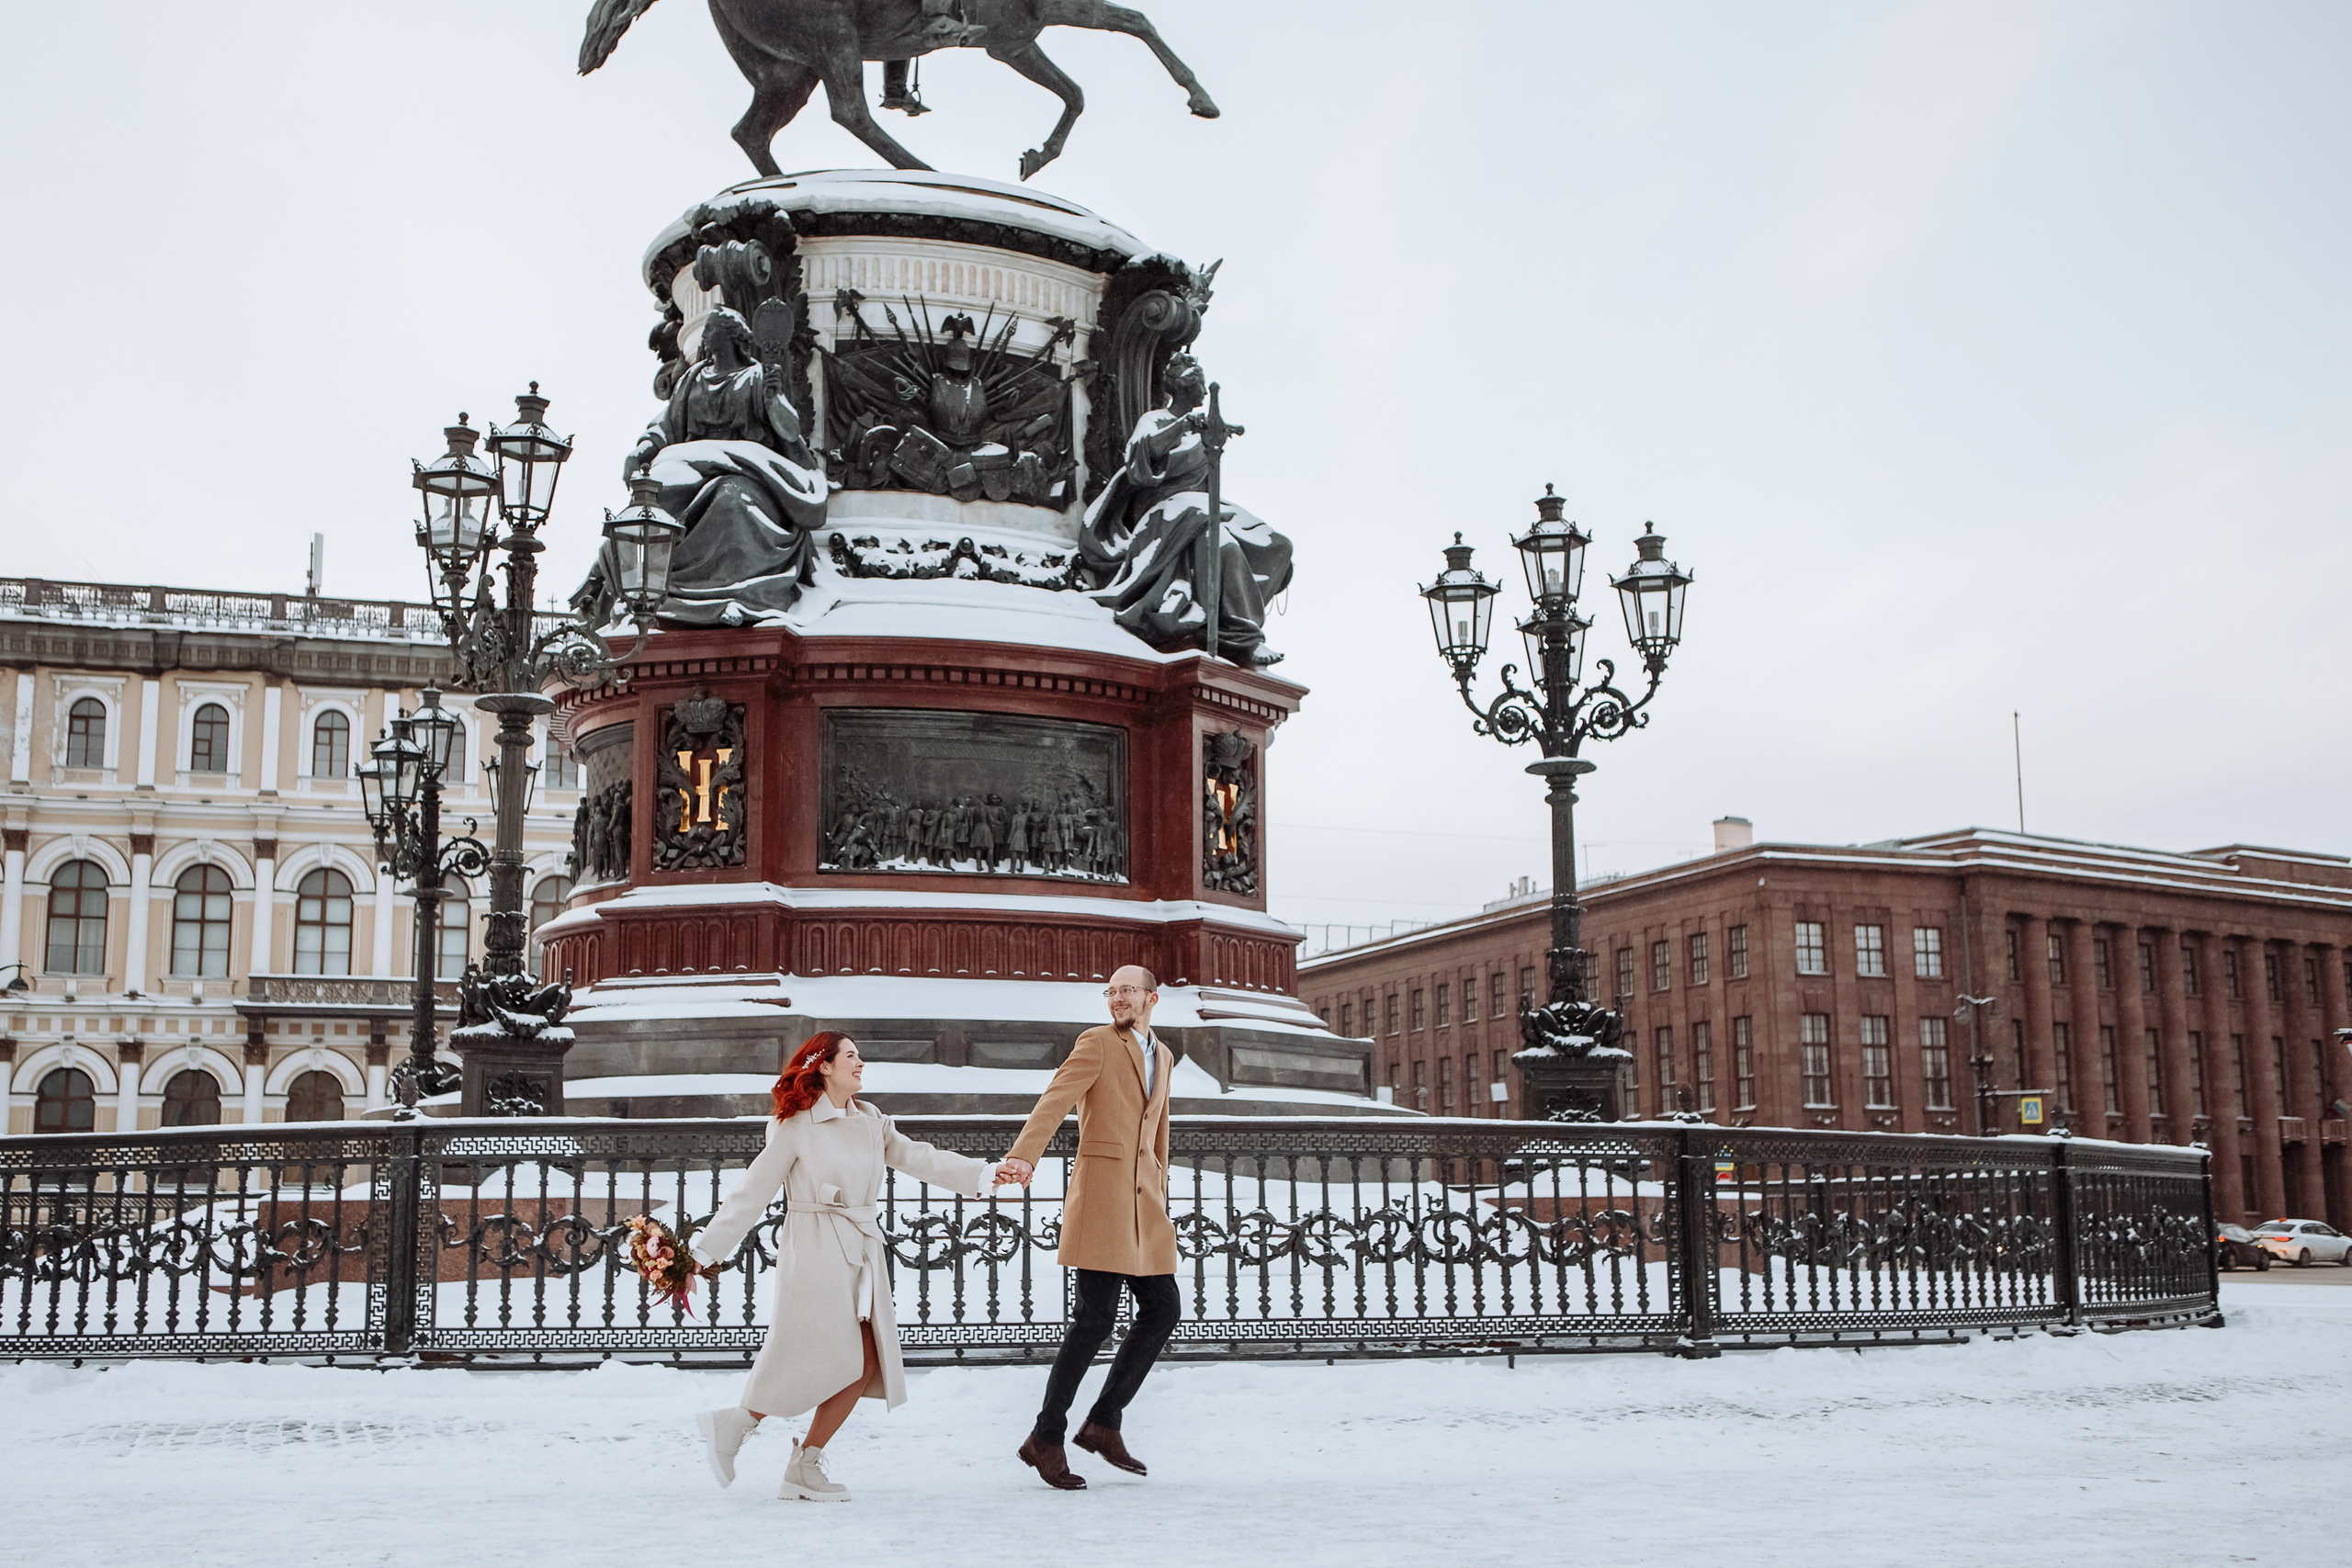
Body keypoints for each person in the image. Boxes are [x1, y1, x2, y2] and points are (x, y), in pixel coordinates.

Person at [689, 1032, 1024, 1500]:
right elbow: (753, 1192)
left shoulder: (871, 1120)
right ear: (823, 1066)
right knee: (814, 1353)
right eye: (851, 1056)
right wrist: (702, 1254)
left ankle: (793, 1457)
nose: (861, 1063)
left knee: (864, 1362)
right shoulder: (795, 1126)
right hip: (815, 1251)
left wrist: (985, 1174)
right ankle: (749, 1430)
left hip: (861, 1251)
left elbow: (919, 1158)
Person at [996, 964, 1180, 1490]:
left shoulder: (1162, 1056)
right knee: (1095, 1320)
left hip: (1145, 1206)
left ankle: (1103, 1421)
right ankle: (1047, 1436)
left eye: (1127, 990)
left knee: (1164, 1309)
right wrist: (1024, 1157)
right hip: (1102, 1198)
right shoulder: (1097, 1043)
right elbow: (1054, 1100)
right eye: (1112, 991)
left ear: (1152, 998)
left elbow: (1159, 1132)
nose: (1118, 998)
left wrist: (1161, 1193)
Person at [1079, 353, 1292, 667]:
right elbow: (1140, 459)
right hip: (1161, 513)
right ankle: (1244, 637)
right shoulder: (1155, 420)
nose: (1205, 394)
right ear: (1184, 386)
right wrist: (1181, 427)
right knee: (1220, 542)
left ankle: (1233, 613)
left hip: (1196, 509)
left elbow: (1205, 489)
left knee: (1278, 544)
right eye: (1201, 386)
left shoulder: (1203, 434)